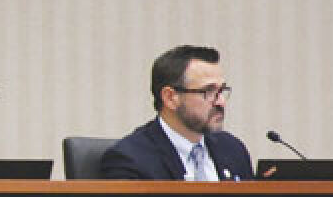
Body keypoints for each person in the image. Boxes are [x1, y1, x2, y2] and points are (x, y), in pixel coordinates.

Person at [100, 45, 253, 181]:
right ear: (170, 98)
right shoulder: (131, 160)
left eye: (221, 91)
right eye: (209, 91)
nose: (221, 102)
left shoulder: (232, 149)